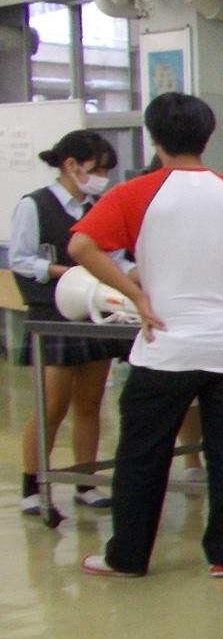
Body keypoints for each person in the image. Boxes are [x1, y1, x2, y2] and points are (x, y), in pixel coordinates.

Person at [67, 92, 223, 578]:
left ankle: (128, 556)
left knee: (142, 458)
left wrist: (135, 296)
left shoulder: (136, 193)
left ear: (153, 138)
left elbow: (81, 245)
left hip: (167, 348)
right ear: (208, 138)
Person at [9, 129, 122, 520]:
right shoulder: (35, 205)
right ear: (71, 165)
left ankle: (85, 482)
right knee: (51, 404)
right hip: (51, 313)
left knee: (90, 403)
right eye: (97, 168)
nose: (102, 177)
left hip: (92, 310)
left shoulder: (99, 205)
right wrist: (63, 270)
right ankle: (33, 485)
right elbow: (20, 258)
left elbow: (115, 254)